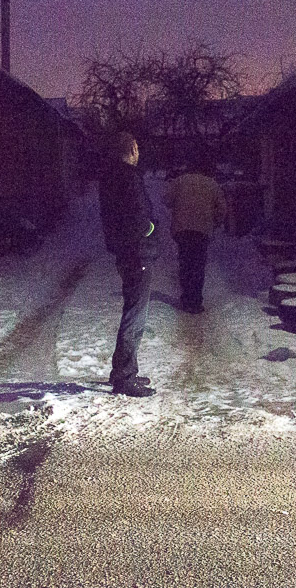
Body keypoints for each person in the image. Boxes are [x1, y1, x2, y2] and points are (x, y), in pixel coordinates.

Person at [98, 132, 160, 397]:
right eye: (137, 148)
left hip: (125, 252)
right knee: (135, 315)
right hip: (137, 253)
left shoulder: (109, 176)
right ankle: (124, 376)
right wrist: (150, 229)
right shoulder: (129, 177)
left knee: (133, 312)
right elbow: (138, 218)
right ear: (132, 149)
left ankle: (122, 371)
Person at [165, 155, 226, 314]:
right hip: (202, 229)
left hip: (182, 228)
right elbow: (222, 208)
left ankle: (186, 298)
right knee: (198, 265)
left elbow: (167, 200)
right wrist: (216, 222)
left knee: (185, 263)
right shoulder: (212, 184)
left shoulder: (179, 181)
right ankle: (196, 301)